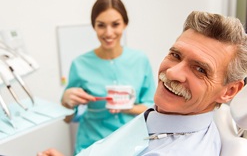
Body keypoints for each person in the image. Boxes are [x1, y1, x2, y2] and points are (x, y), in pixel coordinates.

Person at [38, 11, 247, 156]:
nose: (172, 72)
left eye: (200, 69)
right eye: (175, 54)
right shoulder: (165, 114)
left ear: (229, 91)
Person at [54, 0, 155, 156]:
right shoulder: (79, 64)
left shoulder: (140, 60)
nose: (108, 33)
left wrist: (129, 108)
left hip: (131, 145)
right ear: (94, 26)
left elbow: (152, 108)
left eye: (115, 24)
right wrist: (66, 102)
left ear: (125, 24)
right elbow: (67, 119)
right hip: (91, 146)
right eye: (101, 25)